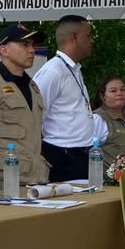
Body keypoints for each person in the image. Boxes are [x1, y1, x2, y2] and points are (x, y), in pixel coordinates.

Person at [0, 24, 51, 192]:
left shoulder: (32, 86)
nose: (32, 50)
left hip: (36, 180)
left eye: (32, 45)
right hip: (2, 181)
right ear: (4, 50)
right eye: (24, 45)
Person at [31, 14, 94, 182]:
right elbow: (35, 115)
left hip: (81, 154)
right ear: (74, 37)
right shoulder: (52, 71)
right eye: (88, 35)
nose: (92, 40)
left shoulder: (74, 69)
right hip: (62, 156)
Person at [91, 76, 125, 166]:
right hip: (107, 179)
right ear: (102, 96)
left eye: (122, 89)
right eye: (113, 91)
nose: (119, 93)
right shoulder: (98, 119)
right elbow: (88, 152)